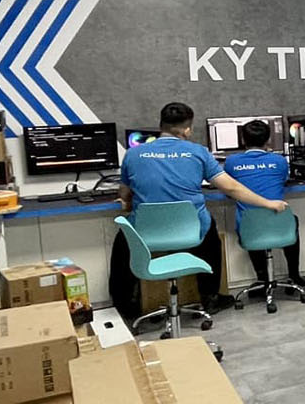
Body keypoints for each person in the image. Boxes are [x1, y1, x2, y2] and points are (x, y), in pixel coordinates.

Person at [119, 102, 289, 310]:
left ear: (161, 125)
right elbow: (231, 188)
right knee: (211, 234)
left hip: (148, 232)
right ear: (187, 129)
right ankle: (210, 297)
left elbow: (124, 194)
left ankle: (126, 303)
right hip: (191, 231)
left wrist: (128, 203)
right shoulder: (198, 152)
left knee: (123, 237)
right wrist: (268, 203)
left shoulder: (133, 154)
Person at [221, 119, 303, 298]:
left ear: (243, 139)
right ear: (268, 140)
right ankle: (294, 276)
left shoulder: (231, 162)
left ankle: (262, 279)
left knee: (250, 221)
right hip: (279, 223)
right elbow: (282, 180)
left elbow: (228, 188)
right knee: (292, 220)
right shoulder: (279, 161)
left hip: (249, 227)